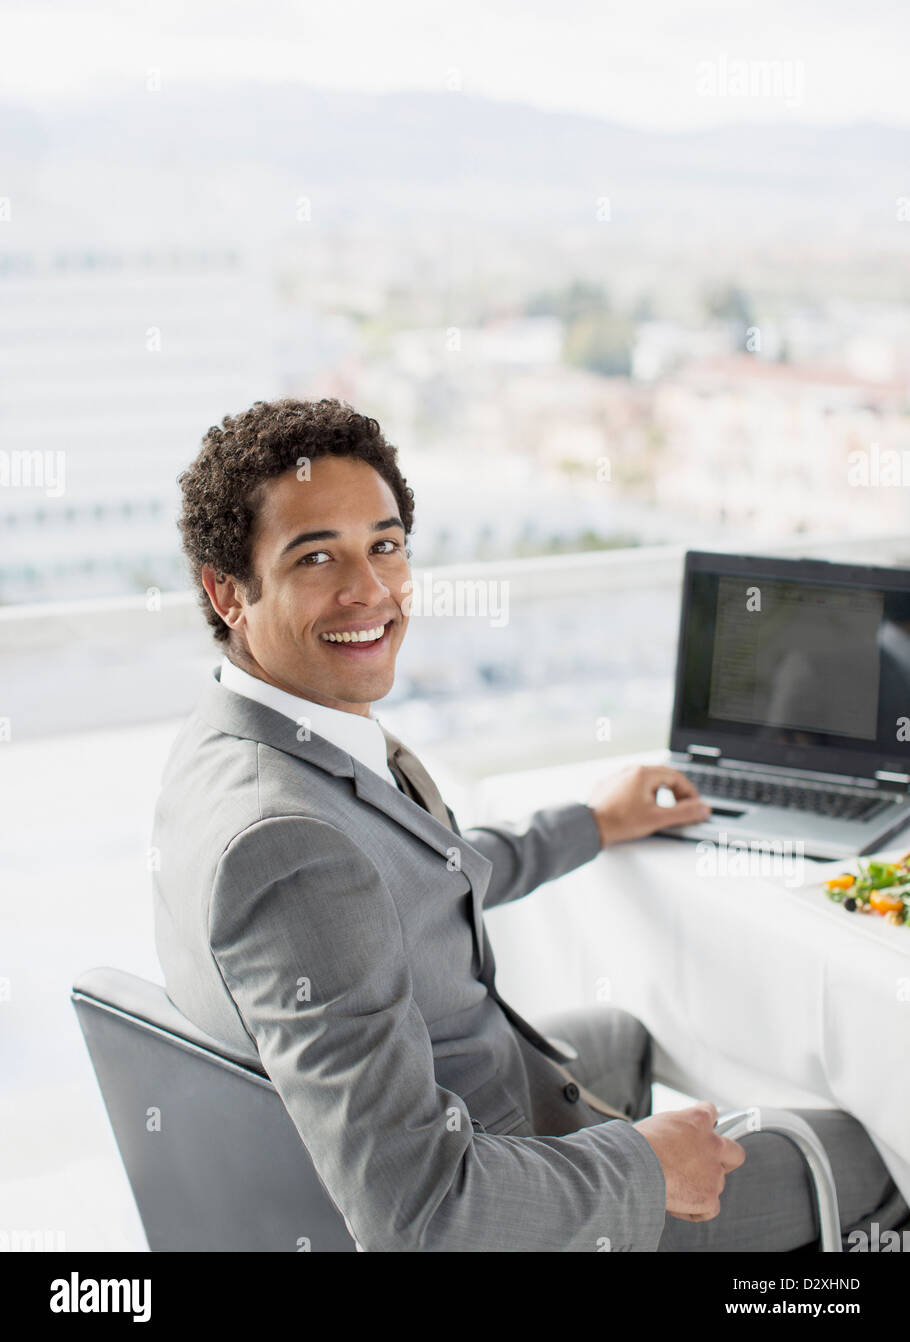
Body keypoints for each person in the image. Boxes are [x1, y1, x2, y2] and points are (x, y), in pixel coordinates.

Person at [151, 396, 906, 1252]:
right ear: (228, 592)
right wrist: (645, 1166)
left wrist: (592, 821)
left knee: (638, 1031)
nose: (370, 590)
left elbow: (417, 877)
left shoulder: (243, 739)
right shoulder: (288, 848)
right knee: (880, 1146)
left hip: (469, 1101)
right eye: (316, 557)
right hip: (493, 1192)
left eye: (385, 546)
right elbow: (420, 1215)